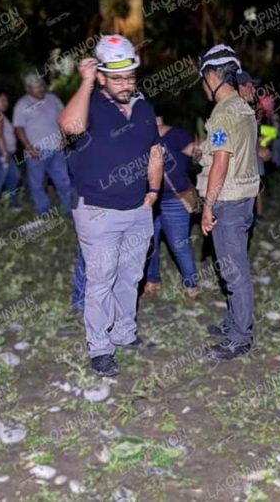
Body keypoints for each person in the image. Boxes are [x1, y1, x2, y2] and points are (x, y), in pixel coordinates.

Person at [59, 34, 163, 377]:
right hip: (97, 210)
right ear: (101, 75)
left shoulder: (145, 107)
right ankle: (100, 348)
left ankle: (124, 333)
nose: (125, 84)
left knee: (131, 275)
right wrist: (85, 83)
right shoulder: (90, 104)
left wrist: (153, 191)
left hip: (137, 208)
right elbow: (71, 126)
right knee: (101, 278)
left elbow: (153, 151)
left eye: (130, 77)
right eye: (116, 78)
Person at [197, 44, 260, 360]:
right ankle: (235, 322)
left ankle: (240, 337)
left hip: (229, 202)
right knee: (234, 267)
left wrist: (208, 206)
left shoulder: (222, 112)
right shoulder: (243, 107)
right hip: (245, 198)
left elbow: (221, 162)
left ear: (211, 75)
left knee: (235, 273)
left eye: (202, 79)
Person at [143, 115, 200, 299]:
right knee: (150, 243)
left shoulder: (177, 135)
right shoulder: (139, 137)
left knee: (179, 244)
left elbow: (198, 155)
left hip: (174, 199)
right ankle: (152, 280)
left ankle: (191, 285)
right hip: (147, 200)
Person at [14, 73, 73, 216]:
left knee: (64, 181)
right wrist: (28, 147)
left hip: (57, 148)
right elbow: (18, 128)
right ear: (28, 89)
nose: (40, 89)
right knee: (37, 184)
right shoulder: (22, 104)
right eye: (36, 87)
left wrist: (64, 137)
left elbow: (63, 118)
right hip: (36, 151)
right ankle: (44, 211)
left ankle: (70, 210)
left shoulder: (53, 99)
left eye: (41, 86)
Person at [238, 71, 273, 220]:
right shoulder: (235, 109)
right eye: (250, 86)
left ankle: (257, 213)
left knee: (257, 183)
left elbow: (262, 131)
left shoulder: (253, 106)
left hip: (255, 151)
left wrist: (261, 144)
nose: (253, 90)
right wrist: (258, 148)